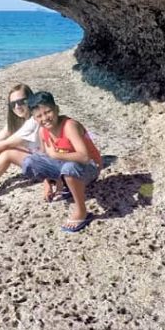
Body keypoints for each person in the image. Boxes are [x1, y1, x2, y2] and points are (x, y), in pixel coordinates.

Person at [21, 91, 102, 232]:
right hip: (67, 166)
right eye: (39, 116)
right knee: (30, 162)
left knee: (69, 168)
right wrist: (47, 183)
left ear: (57, 109)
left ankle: (82, 211)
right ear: (34, 118)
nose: (45, 118)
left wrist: (55, 154)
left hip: (90, 167)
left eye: (48, 112)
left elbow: (84, 157)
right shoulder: (42, 131)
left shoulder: (69, 126)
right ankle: (66, 184)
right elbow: (45, 157)